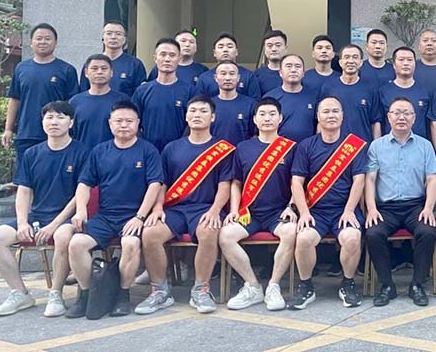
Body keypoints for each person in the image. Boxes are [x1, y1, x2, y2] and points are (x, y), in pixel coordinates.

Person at [136, 96, 237, 315]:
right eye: (193, 111)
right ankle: (160, 291)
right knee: (150, 233)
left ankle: (201, 289)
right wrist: (158, 208)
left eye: (203, 111)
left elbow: (225, 185)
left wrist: (215, 211)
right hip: (175, 209)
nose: (197, 115)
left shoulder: (223, 149)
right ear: (186, 116)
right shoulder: (171, 148)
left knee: (209, 231)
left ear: (213, 117)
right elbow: (162, 183)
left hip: (205, 208)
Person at [0, 101, 88, 317]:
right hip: (38, 217)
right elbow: (24, 191)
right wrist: (23, 222)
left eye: (60, 117)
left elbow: (80, 194)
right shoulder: (32, 154)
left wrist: (54, 224)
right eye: (49, 117)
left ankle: (56, 293)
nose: (54, 122)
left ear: (71, 123)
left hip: (67, 218)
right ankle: (20, 293)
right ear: (42, 123)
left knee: (62, 236)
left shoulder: (82, 152)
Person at [66, 100, 164, 318]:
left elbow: (155, 185)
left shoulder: (148, 150)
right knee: (76, 244)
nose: (124, 125)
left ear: (138, 123)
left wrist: (140, 216)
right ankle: (87, 295)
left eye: (129, 121)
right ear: (110, 124)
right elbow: (84, 184)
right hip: (105, 217)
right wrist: (81, 210)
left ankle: (122, 295)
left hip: (133, 216)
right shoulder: (99, 151)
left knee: (130, 244)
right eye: (119, 121)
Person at [219, 98, 299, 311]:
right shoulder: (243, 148)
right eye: (262, 114)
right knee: (226, 236)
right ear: (254, 119)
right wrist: (234, 210)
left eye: (272, 114)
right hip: (249, 213)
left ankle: (273, 285)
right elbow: (236, 183)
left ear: (280, 118)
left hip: (278, 213)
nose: (267, 118)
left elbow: (298, 182)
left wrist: (291, 206)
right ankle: (253, 286)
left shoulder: (290, 148)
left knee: (291, 232)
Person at [288, 97, 368, 309]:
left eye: (335, 111)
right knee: (303, 238)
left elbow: (359, 180)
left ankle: (348, 284)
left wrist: (349, 210)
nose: (331, 115)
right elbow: (296, 182)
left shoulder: (353, 145)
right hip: (316, 211)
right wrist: (304, 212)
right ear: (318, 116)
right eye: (326, 111)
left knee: (352, 237)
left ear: (342, 115)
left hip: (344, 209)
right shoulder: (306, 146)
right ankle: (306, 286)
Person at [365, 97, 436, 307]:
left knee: (428, 231)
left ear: (414, 118)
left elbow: (433, 178)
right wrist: (371, 208)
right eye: (397, 113)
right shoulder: (376, 146)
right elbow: (370, 179)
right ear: (389, 117)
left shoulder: (425, 146)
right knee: (373, 233)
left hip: (416, 206)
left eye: (407, 113)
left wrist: (428, 208)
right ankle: (387, 285)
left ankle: (417, 285)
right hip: (385, 208)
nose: (401, 117)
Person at [3, 23, 80, 167]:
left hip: (57, 134)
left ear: (55, 43)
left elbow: (73, 104)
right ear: (31, 43)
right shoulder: (21, 68)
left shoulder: (67, 70)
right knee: (25, 176)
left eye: (47, 39)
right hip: (27, 133)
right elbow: (14, 100)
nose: (43, 42)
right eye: (39, 38)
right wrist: (8, 129)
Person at [132, 39, 195, 152]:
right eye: (163, 54)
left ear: (179, 59)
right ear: (155, 58)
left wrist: (181, 146)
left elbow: (192, 123)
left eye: (172, 55)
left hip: (180, 151)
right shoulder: (142, 91)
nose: (167, 59)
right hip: (148, 151)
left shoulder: (190, 91)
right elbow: (133, 120)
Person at [320, 44, 382, 142]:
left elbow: (375, 122)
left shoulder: (370, 89)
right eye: (347, 57)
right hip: (334, 147)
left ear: (361, 62)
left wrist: (376, 147)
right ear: (340, 62)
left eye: (355, 57)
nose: (351, 61)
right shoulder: (328, 88)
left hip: (362, 146)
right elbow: (321, 120)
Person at [70, 54, 129, 149]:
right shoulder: (75, 102)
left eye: (104, 68)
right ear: (86, 73)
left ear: (111, 72)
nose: (99, 72)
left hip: (113, 154)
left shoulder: (123, 101)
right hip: (83, 155)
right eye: (94, 68)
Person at [79, 21, 146, 97]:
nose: (113, 37)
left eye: (118, 34)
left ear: (124, 39)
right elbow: (83, 92)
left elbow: (139, 94)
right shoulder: (92, 63)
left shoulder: (135, 64)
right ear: (103, 38)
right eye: (109, 33)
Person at [378, 47, 432, 139]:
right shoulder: (383, 92)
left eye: (410, 60)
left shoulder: (425, 91)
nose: (406, 63)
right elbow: (378, 123)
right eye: (401, 60)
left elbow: (430, 123)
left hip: (419, 145)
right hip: (390, 145)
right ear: (394, 65)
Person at [265, 54, 318, 142]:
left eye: (298, 66)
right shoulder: (270, 98)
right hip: (278, 147)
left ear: (303, 73)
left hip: (307, 148)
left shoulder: (313, 96)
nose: (293, 70)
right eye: (288, 66)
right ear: (280, 72)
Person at [211, 62, 257, 146]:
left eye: (232, 74)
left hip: (241, 152)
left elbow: (255, 134)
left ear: (238, 77)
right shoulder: (208, 105)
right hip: (213, 152)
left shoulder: (251, 104)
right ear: (216, 78)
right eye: (223, 74)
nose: (228, 78)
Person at [195, 33, 253, 97]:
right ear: (214, 53)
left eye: (230, 47)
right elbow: (199, 101)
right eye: (221, 47)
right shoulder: (204, 78)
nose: (225, 50)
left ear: (236, 52)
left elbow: (255, 101)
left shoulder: (249, 76)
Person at [247, 30, 288, 98]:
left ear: (286, 48)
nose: (274, 49)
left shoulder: (293, 73)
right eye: (269, 46)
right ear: (264, 50)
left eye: (278, 45)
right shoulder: (256, 75)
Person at [413, 29, 436, 96]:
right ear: (419, 46)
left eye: (434, 41)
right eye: (425, 40)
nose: (429, 44)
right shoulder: (411, 68)